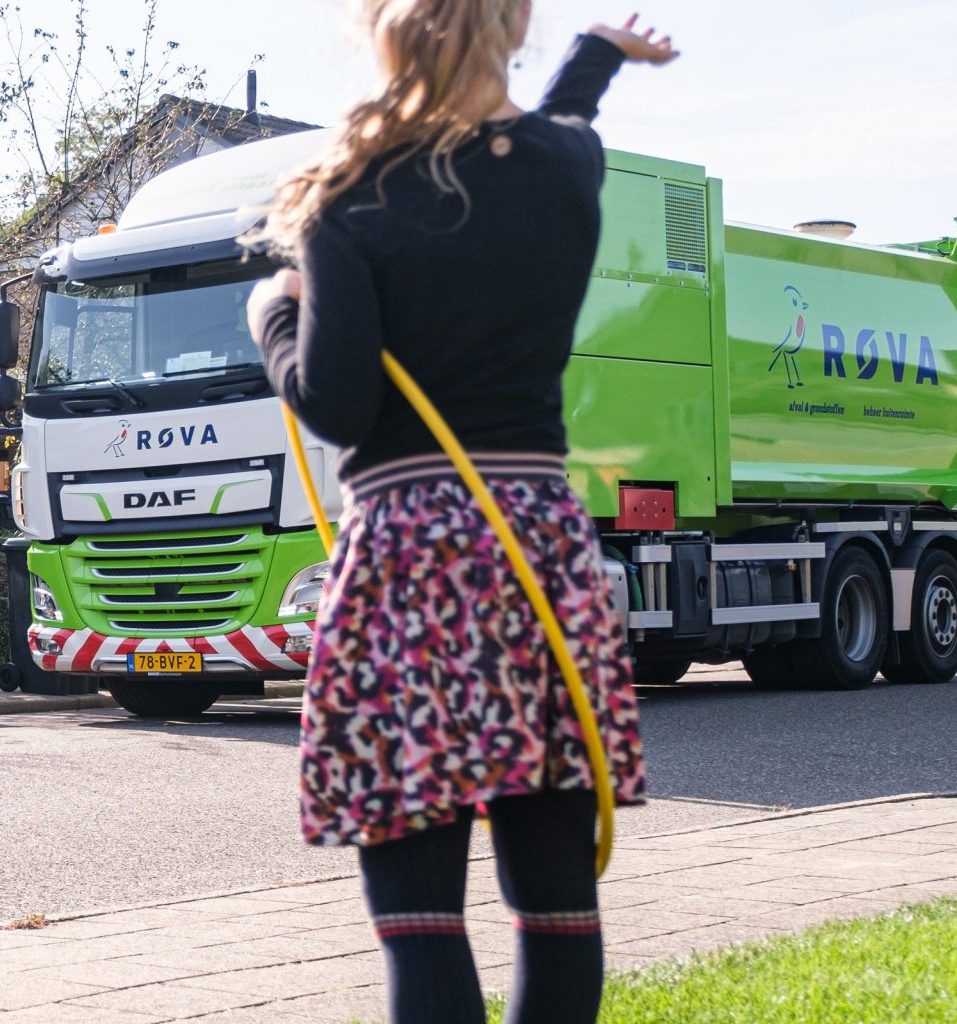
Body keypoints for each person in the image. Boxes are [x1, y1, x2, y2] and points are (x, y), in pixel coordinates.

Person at [246, 5, 676, 1023]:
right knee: (558, 904)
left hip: (408, 555)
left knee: (421, 919)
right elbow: (559, 121)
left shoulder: (350, 193)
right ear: (513, 23)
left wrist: (274, 317)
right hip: (537, 543)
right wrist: (598, 54)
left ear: (386, 36)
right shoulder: (567, 168)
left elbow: (338, 403)